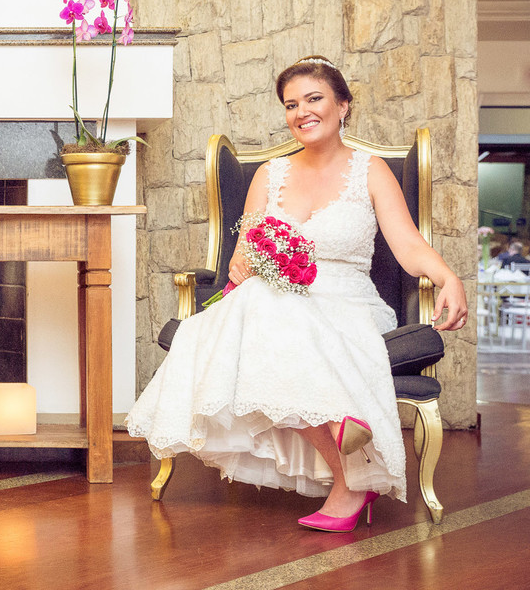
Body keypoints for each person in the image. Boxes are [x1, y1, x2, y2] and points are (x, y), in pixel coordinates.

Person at [126, 56, 467, 533]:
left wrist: (448, 277)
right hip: (274, 295)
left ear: (343, 105)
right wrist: (244, 262)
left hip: (346, 304)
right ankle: (347, 451)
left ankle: (352, 471)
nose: (301, 111)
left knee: (267, 318)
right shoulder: (269, 174)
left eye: (313, 98)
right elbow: (243, 252)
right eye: (290, 104)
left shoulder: (370, 172)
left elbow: (408, 245)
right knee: (265, 305)